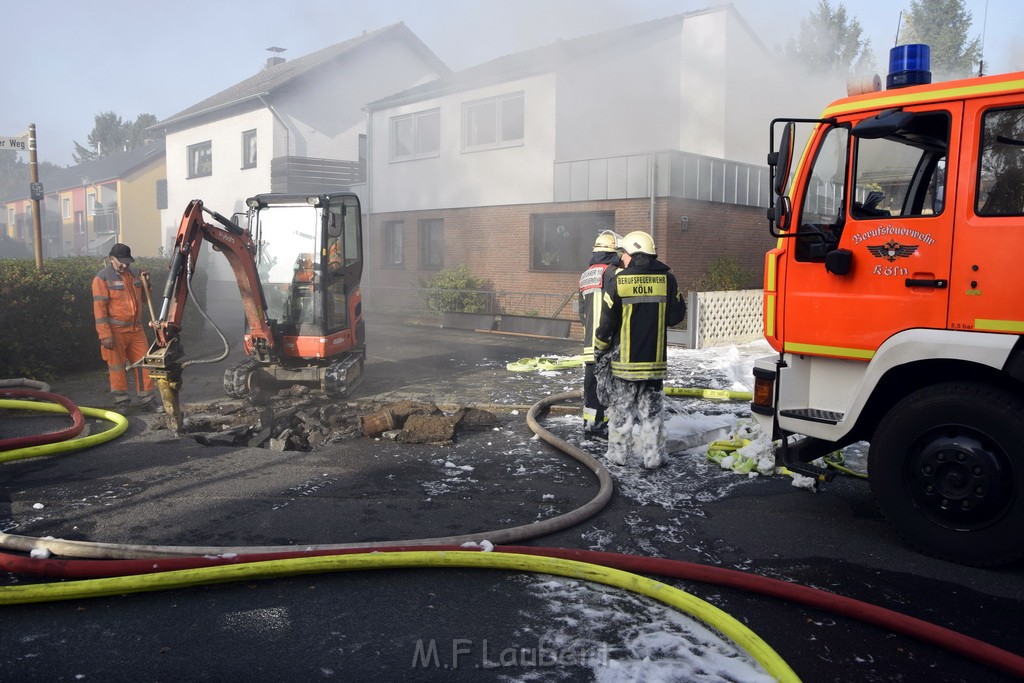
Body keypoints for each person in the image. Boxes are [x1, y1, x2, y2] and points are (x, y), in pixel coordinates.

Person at [594, 230, 686, 468]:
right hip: (654, 364)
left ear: (633, 254)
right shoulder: (668, 280)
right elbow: (677, 315)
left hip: (625, 364)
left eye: (623, 253)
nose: (621, 257)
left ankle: (618, 457)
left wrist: (600, 348)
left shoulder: (619, 281)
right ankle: (653, 458)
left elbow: (607, 323)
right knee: (652, 413)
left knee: (621, 412)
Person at [92, 243, 156, 411]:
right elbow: (100, 309)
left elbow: (145, 299)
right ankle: (122, 401)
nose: (126, 265)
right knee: (117, 366)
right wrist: (105, 335)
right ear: (111, 259)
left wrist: (147, 284)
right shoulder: (102, 278)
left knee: (144, 363)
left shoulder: (135, 275)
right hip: (115, 331)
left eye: (128, 261)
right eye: (122, 261)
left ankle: (147, 399)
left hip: (136, 329)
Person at [578, 230, 622, 439]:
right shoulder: (615, 274)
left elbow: (582, 312)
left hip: (589, 344)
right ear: (612, 253)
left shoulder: (585, 276)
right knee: (610, 385)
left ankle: (591, 423)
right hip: (610, 343)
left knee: (591, 384)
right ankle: (609, 425)